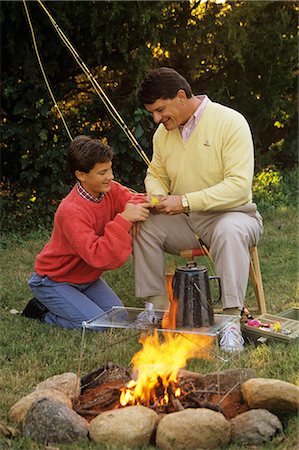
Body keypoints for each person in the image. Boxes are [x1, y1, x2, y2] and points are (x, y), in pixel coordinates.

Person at [133, 67, 263, 351]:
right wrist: (156, 197)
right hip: (187, 221)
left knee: (229, 229)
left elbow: (239, 187)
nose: (157, 118)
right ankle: (156, 310)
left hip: (236, 215)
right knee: (143, 223)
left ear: (181, 96)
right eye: (152, 113)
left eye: (160, 110)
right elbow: (155, 174)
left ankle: (230, 322)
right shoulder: (162, 134)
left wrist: (183, 201)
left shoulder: (230, 122)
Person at [23, 135, 151, 330]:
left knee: (120, 319)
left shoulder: (110, 189)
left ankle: (70, 304)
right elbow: (98, 256)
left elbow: (135, 198)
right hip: (54, 281)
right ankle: (43, 313)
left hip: (87, 279)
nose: (111, 177)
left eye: (110, 169)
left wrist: (136, 206)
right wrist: (124, 219)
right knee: (101, 326)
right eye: (102, 172)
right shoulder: (70, 211)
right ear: (81, 175)